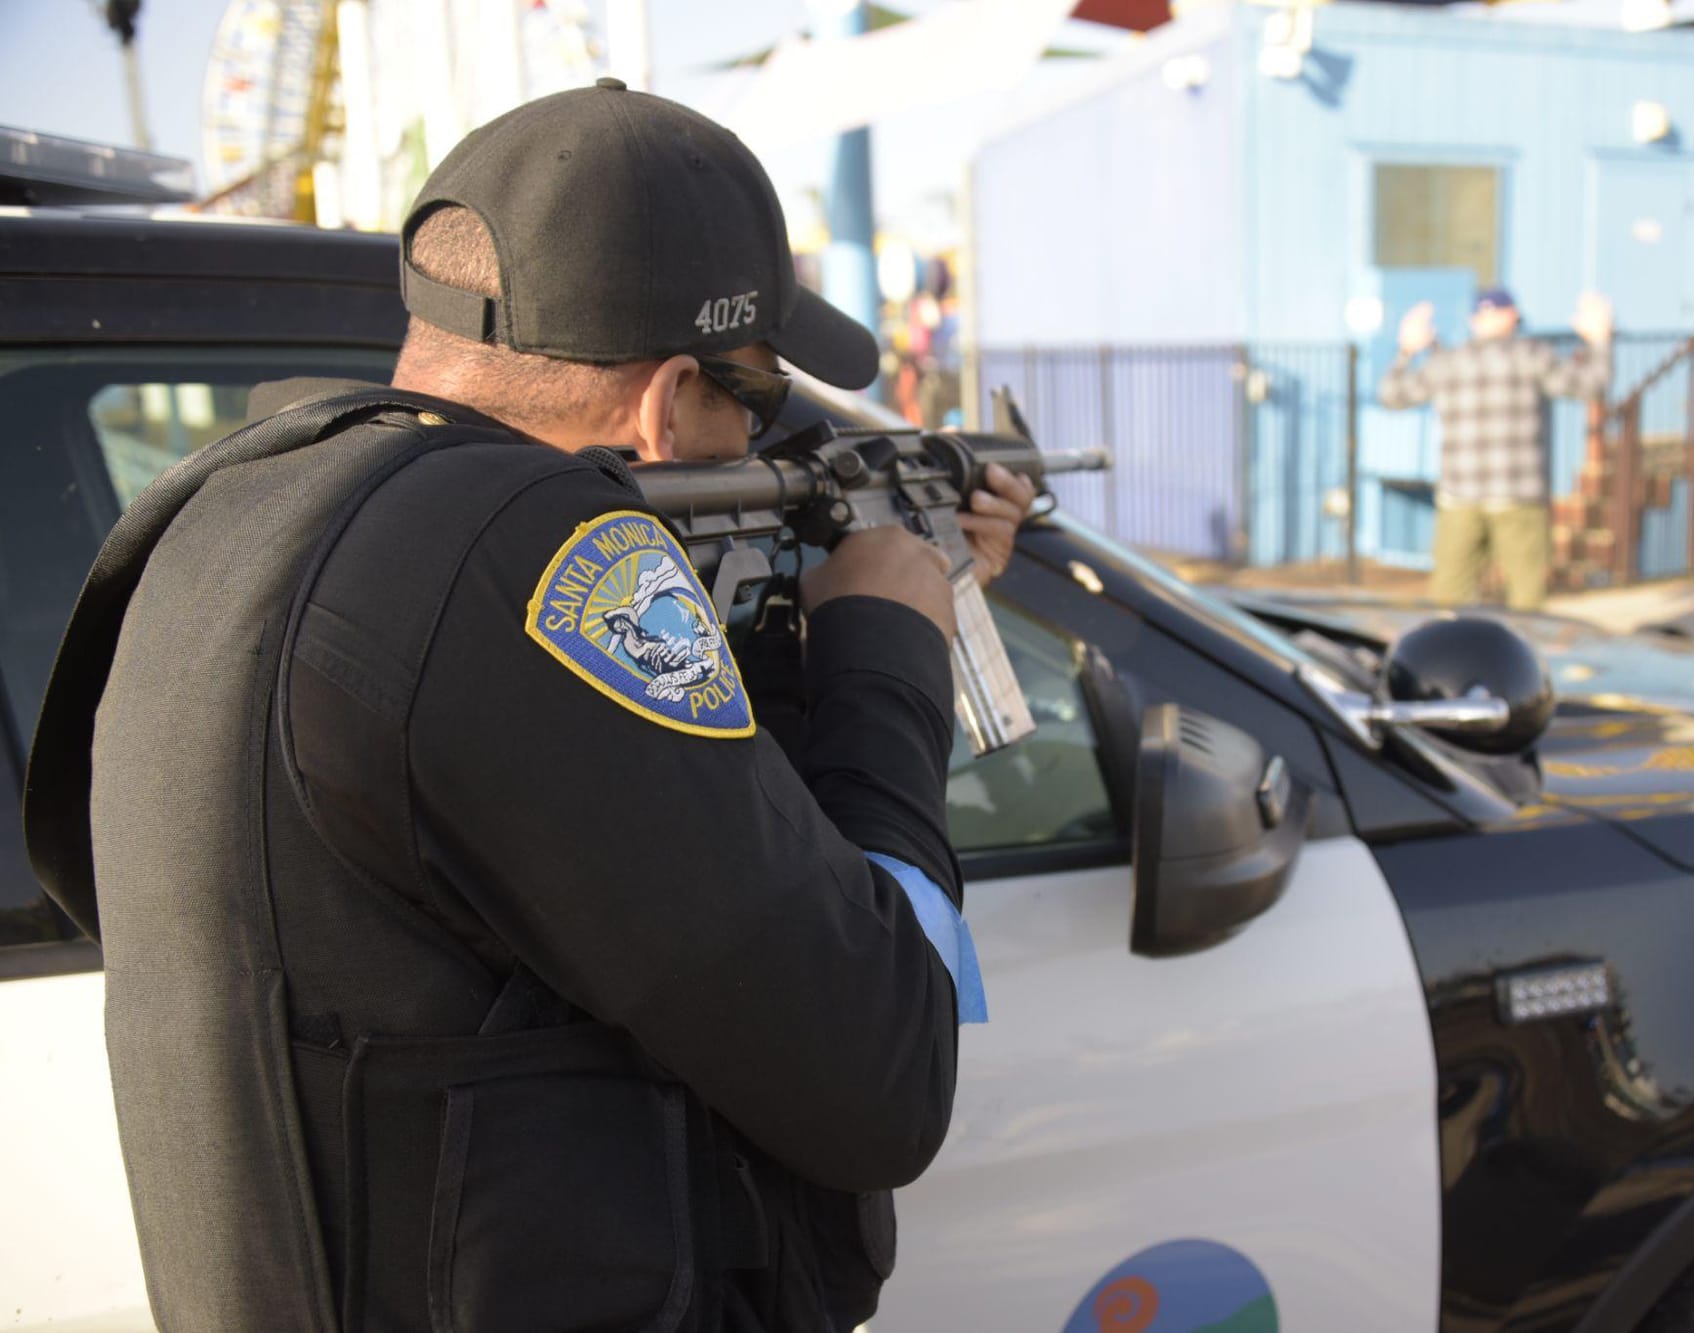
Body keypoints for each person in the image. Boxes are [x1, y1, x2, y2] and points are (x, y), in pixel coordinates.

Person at [26, 83, 1033, 1333]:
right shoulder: (540, 564)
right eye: (757, 403)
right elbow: (885, 1075)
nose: (762, 441)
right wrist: (889, 648)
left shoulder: (237, 513)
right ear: (668, 402)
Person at [1380, 287, 1613, 611]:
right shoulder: (1532, 356)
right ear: (1513, 315)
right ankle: (1521, 658)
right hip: (1518, 496)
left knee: (1449, 602)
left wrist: (1405, 350)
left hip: (1460, 496)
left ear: (1474, 320)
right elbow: (1592, 385)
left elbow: (1392, 394)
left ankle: (1449, 659)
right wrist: (1599, 339)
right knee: (1526, 604)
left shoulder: (1449, 361)